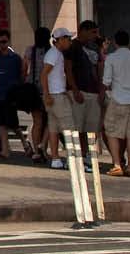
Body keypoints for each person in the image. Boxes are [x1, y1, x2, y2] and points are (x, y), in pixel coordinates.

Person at [100, 31, 130, 177]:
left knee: (112, 132)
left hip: (117, 99)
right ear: (128, 42)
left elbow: (106, 81)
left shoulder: (111, 58)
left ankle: (117, 164)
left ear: (115, 42)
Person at [69, 21, 108, 173]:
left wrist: (102, 89)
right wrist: (74, 89)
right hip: (80, 91)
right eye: (93, 32)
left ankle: (90, 156)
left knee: (92, 127)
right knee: (79, 126)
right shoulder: (73, 46)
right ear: (83, 31)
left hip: (94, 92)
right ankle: (80, 155)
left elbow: (100, 67)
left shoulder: (95, 47)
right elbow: (68, 68)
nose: (95, 36)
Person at [0, 30, 29, 160]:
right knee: (1, 124)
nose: (1, 44)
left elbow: (22, 75)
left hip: (11, 94)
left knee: (13, 123)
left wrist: (19, 92)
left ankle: (25, 144)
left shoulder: (15, 58)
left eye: (3, 42)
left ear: (8, 41)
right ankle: (5, 150)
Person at [42, 28, 77, 170]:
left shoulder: (55, 54)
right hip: (56, 96)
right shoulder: (54, 54)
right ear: (61, 39)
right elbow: (44, 74)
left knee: (53, 128)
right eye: (68, 38)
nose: (70, 41)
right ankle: (71, 159)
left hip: (55, 94)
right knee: (68, 127)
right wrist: (47, 94)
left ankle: (56, 158)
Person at [27, 27, 55, 164]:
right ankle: (43, 145)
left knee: (37, 121)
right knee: (51, 120)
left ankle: (36, 151)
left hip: (33, 90)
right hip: (48, 89)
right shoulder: (52, 52)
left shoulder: (30, 50)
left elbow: (24, 69)